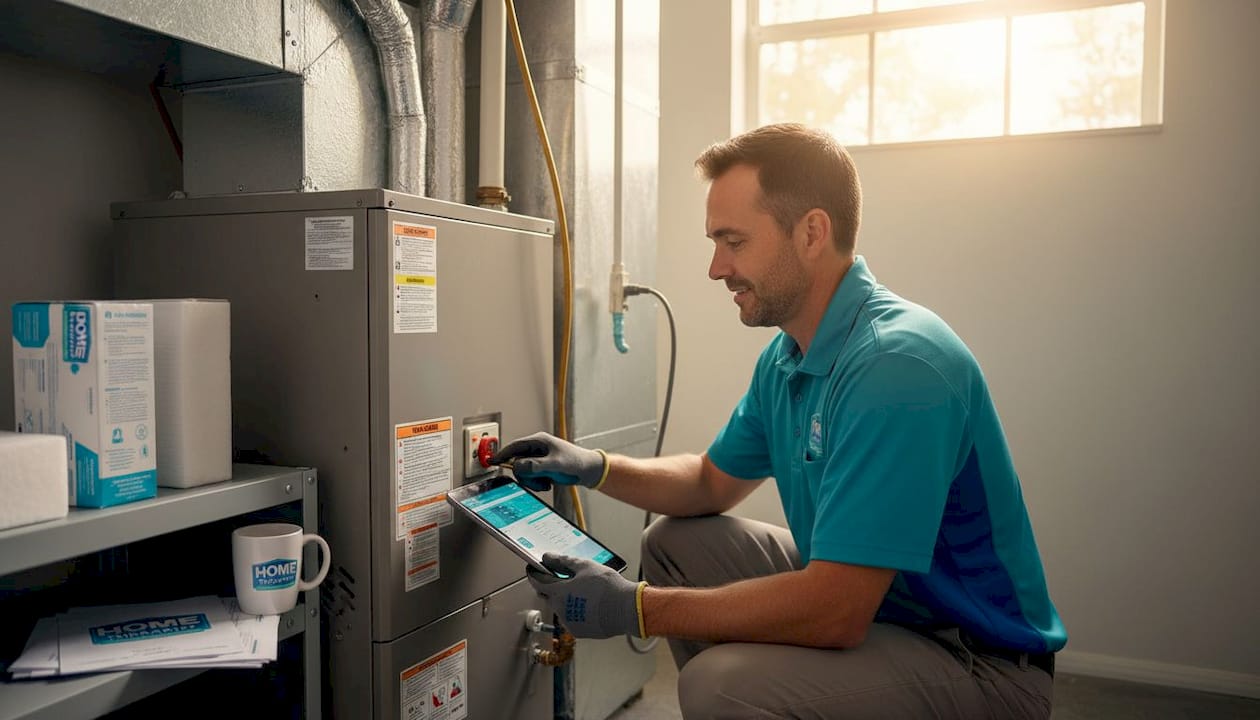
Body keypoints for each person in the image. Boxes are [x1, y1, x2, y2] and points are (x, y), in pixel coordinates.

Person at [492, 123, 1066, 719]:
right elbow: (708, 483)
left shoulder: (897, 368)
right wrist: (591, 466)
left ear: (812, 232)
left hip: (979, 664)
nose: (716, 268)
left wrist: (635, 608)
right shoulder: (790, 355)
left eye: (733, 241)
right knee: (676, 542)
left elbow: (836, 611)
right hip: (890, 610)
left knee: (722, 686)